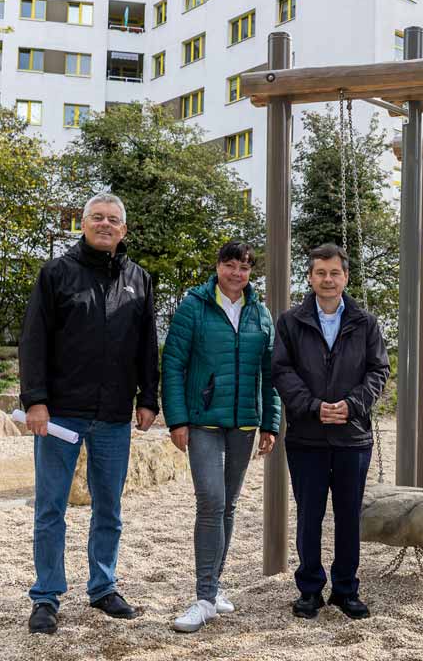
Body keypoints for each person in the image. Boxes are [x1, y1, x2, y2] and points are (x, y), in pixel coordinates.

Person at [19, 193, 159, 635]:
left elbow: (146, 346)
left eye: (112, 219)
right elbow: (34, 339)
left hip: (115, 415)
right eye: (96, 217)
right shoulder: (56, 274)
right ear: (82, 224)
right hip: (60, 414)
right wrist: (35, 400)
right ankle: (46, 596)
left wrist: (148, 398)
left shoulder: (139, 279)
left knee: (109, 509)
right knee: (51, 508)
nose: (104, 224)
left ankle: (103, 587)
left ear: (124, 229)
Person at [160, 240, 281, 633]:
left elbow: (271, 371)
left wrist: (271, 422)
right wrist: (176, 420)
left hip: (245, 422)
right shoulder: (193, 307)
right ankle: (203, 597)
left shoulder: (260, 313)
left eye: (244, 268)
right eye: (230, 265)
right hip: (203, 421)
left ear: (251, 273)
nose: (236, 274)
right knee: (210, 499)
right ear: (218, 267)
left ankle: (214, 587)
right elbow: (173, 364)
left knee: (228, 504)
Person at [272, 243, 389, 621]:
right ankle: (309, 590)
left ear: (346, 277)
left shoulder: (366, 323)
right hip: (306, 436)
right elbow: (281, 371)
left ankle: (345, 589)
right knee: (309, 515)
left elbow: (378, 372)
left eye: (334, 273)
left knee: (348, 516)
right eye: (320, 272)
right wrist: (312, 406)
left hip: (353, 437)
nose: (327, 279)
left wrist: (351, 405)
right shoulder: (290, 322)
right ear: (310, 277)